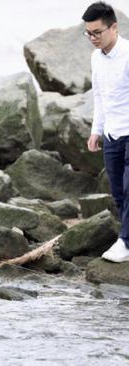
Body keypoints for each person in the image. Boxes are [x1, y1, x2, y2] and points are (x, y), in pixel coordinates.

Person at [84, 2, 129, 262]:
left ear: (114, 27)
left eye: (97, 32)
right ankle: (126, 236)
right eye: (88, 33)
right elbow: (99, 95)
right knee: (119, 192)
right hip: (112, 133)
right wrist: (96, 130)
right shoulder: (95, 57)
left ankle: (125, 242)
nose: (92, 38)